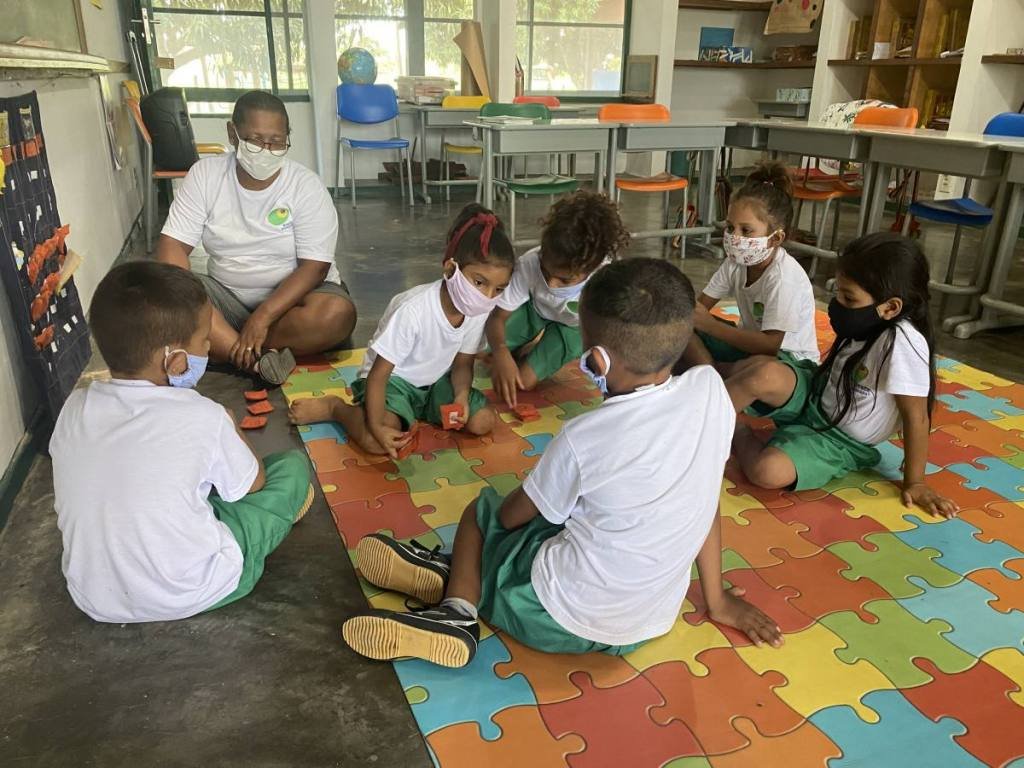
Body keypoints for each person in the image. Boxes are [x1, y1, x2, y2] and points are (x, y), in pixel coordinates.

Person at [339, 258, 784, 668]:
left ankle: (456, 613)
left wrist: (523, 504)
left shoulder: (584, 436)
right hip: (649, 620)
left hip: (551, 616)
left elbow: (511, 517)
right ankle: (452, 572)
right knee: (567, 515)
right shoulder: (711, 393)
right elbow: (704, 501)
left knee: (483, 512)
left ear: (597, 360)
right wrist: (716, 600)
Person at [50, 261, 314, 623]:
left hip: (94, 597)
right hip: (197, 588)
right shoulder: (205, 416)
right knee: (291, 468)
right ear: (176, 362)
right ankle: (269, 521)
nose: (209, 348)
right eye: (205, 342)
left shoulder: (74, 407)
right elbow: (254, 485)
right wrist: (230, 426)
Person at [725, 232, 959, 517]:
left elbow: (917, 416)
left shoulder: (903, 342)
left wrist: (916, 482)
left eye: (848, 298)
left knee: (766, 471)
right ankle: (700, 419)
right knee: (761, 373)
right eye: (838, 293)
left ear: (890, 307)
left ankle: (736, 430)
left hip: (839, 441)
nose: (837, 304)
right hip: (815, 395)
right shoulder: (868, 321)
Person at [157, 90, 356, 385]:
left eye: (277, 142)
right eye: (255, 140)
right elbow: (172, 245)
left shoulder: (305, 186)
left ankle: (223, 347)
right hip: (224, 301)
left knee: (335, 314)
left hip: (292, 303)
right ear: (232, 133)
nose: (266, 150)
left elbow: (315, 267)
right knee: (161, 290)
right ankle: (258, 362)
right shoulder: (205, 176)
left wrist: (262, 317)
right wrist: (178, 293)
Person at [288, 204, 515, 459]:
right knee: (376, 442)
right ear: (451, 269)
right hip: (391, 382)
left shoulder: (478, 311)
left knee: (483, 421)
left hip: (435, 382)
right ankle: (336, 409)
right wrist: (376, 427)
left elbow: (463, 365)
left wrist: (461, 397)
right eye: (479, 282)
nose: (487, 296)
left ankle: (415, 411)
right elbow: (378, 376)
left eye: (499, 289)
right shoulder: (413, 310)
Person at [487, 190, 629, 407]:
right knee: (482, 349)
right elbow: (497, 317)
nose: (551, 284)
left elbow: (611, 333)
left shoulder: (604, 279)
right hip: (534, 311)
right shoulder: (530, 263)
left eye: (564, 279)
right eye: (545, 271)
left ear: (590, 268)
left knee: (523, 382)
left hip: (572, 328)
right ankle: (522, 346)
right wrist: (501, 352)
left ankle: (530, 350)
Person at [679, 163, 818, 374]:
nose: (734, 237)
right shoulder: (735, 263)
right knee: (682, 331)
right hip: (749, 349)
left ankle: (716, 374)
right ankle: (714, 375)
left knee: (762, 372)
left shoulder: (783, 278)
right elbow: (700, 308)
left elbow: (770, 346)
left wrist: (711, 326)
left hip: (789, 362)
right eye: (730, 227)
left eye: (746, 230)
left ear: (776, 238)